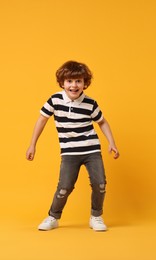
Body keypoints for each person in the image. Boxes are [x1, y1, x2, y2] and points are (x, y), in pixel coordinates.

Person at [26, 60, 119, 232]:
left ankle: (96, 216)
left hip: (91, 149)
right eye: (69, 81)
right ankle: (53, 217)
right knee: (64, 187)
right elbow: (42, 120)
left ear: (85, 83)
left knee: (100, 184)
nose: (74, 85)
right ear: (62, 83)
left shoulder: (90, 103)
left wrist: (111, 142)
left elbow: (102, 122)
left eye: (78, 81)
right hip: (69, 152)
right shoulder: (55, 100)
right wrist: (33, 145)